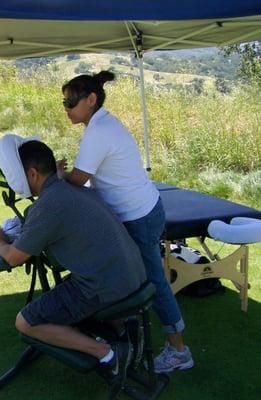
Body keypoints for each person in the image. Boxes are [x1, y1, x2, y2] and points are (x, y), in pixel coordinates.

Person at [57, 71, 194, 373]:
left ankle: (179, 351)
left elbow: (79, 179)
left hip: (138, 217)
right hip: (147, 208)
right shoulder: (103, 123)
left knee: (153, 282)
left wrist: (58, 175)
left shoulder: (98, 132)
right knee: (139, 278)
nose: (66, 109)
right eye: (64, 102)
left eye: (70, 102)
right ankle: (126, 330)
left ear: (91, 100)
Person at [0, 139, 147, 389]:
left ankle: (108, 353)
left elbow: (14, 257)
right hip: (133, 275)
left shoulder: (49, 205)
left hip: (105, 286)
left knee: (26, 321)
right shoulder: (73, 188)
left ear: (31, 173)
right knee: (65, 290)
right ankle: (123, 331)